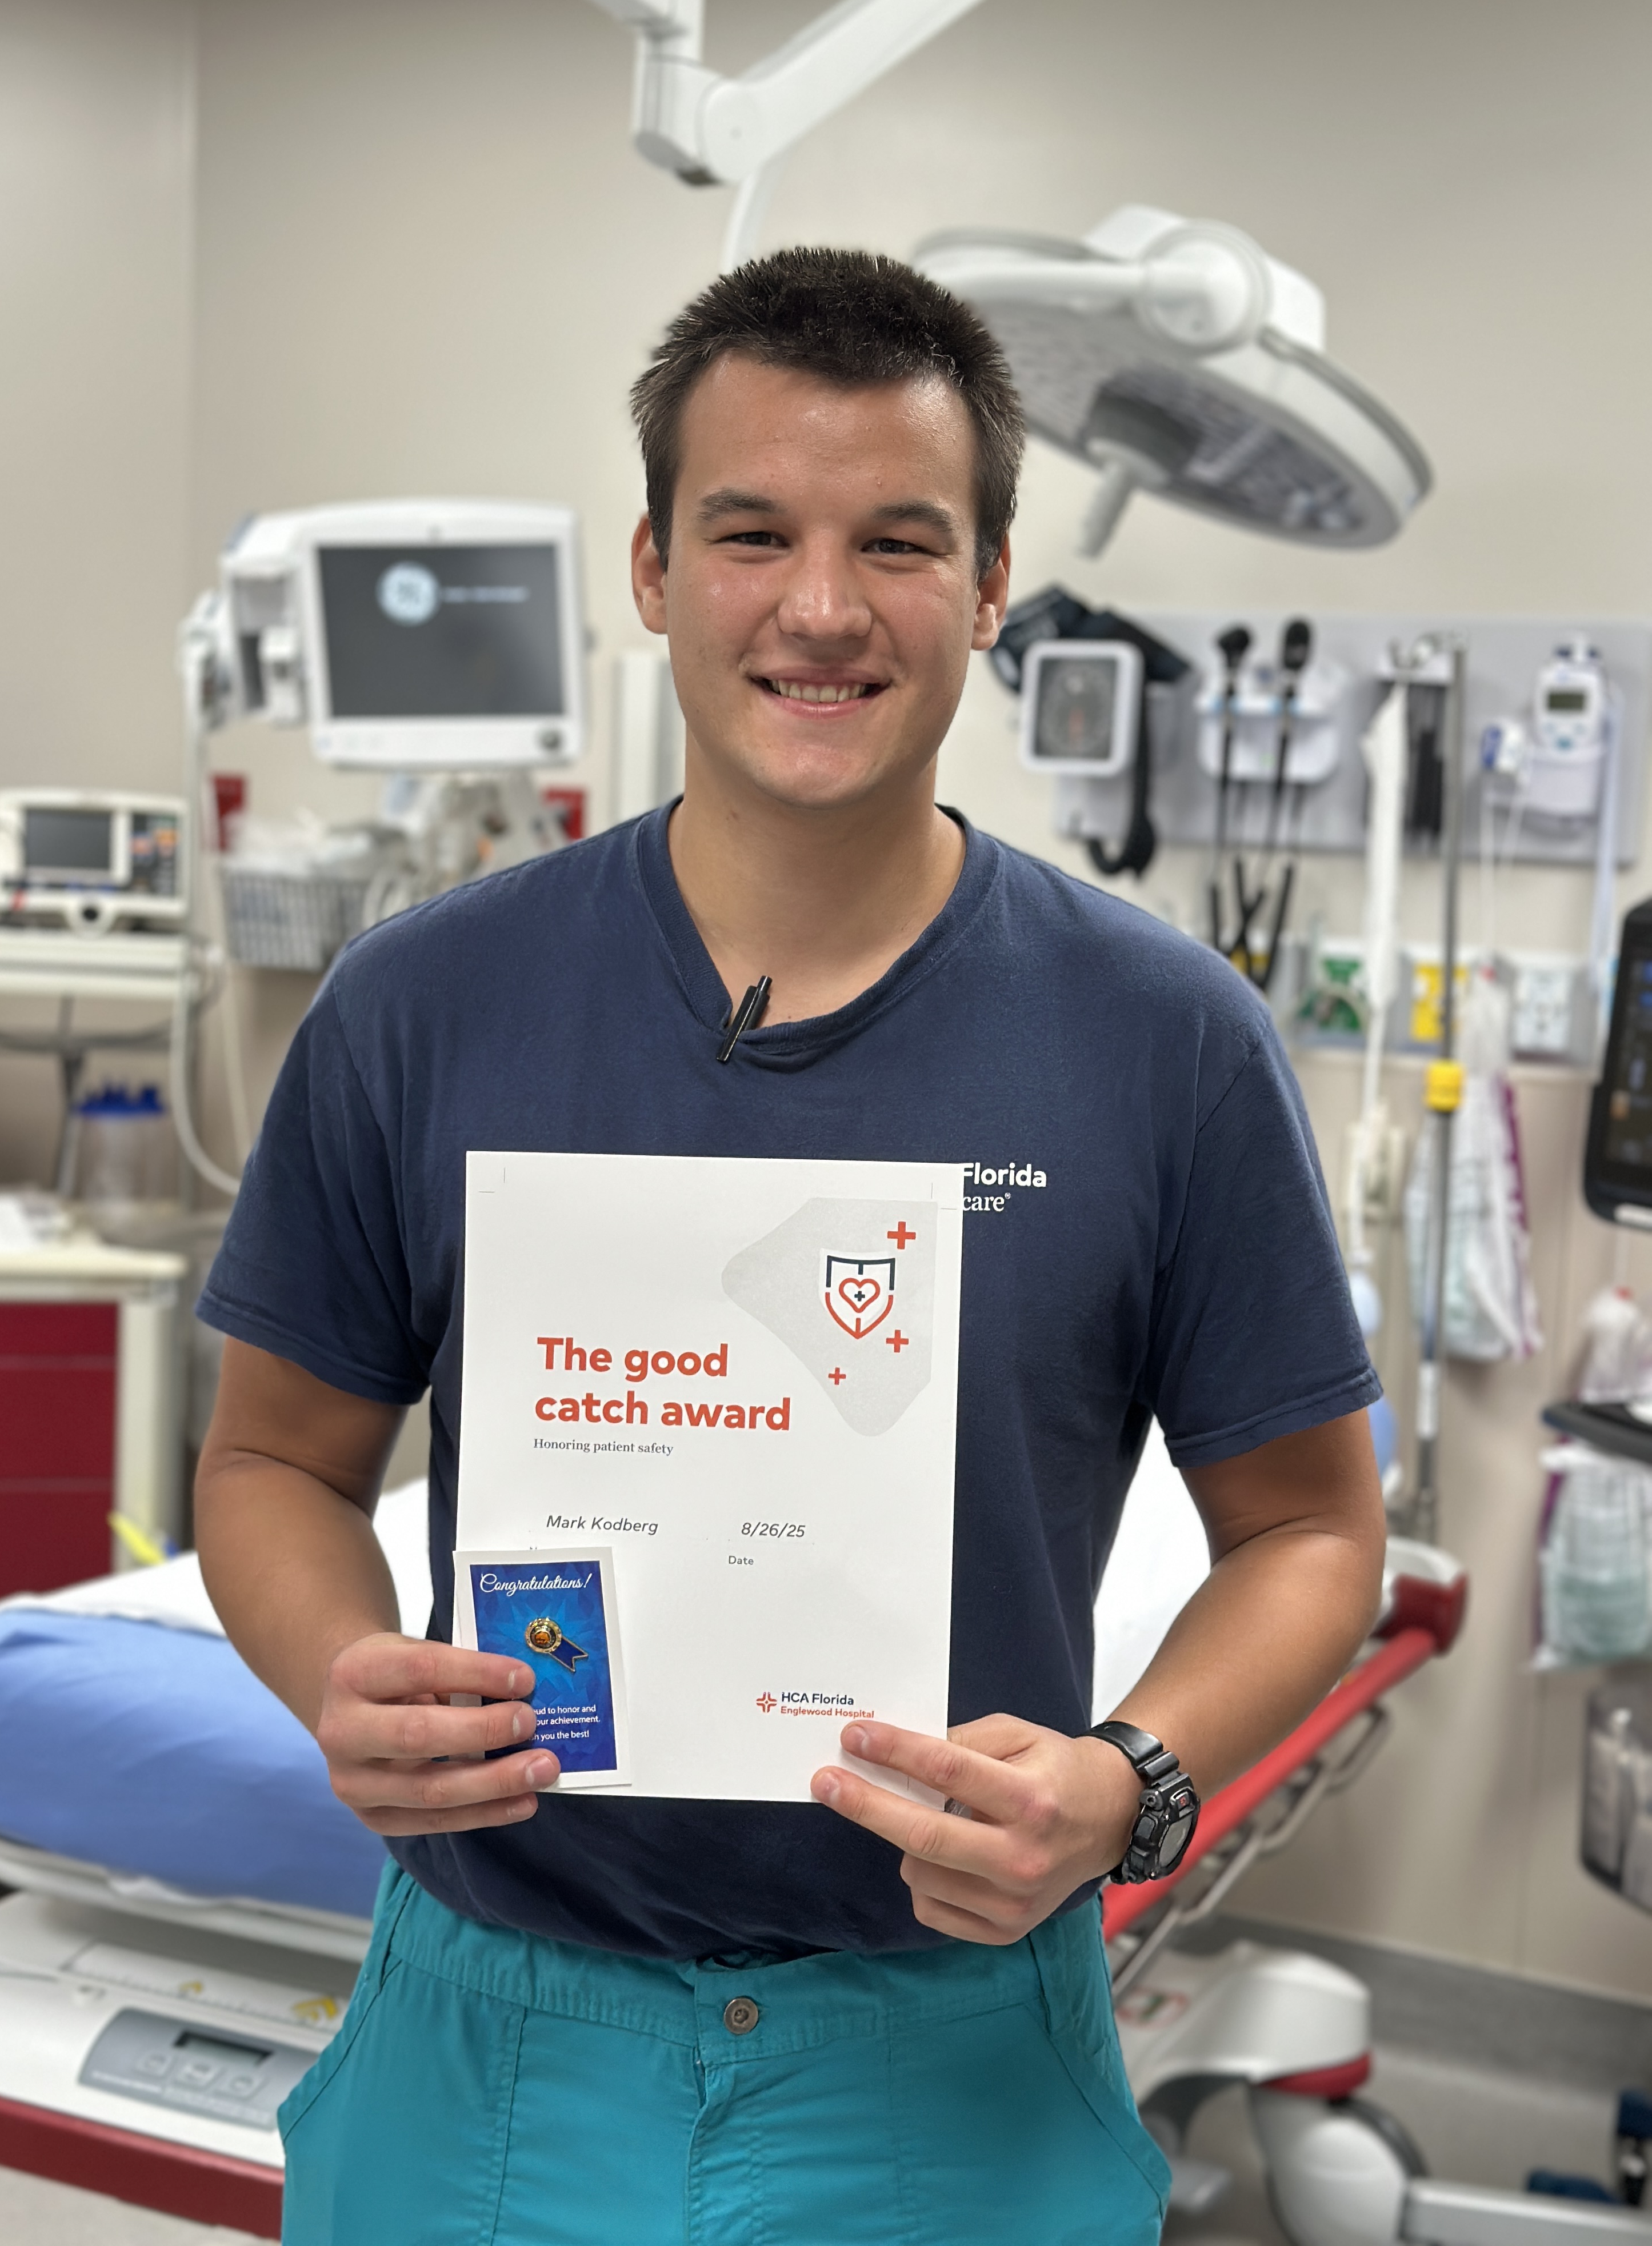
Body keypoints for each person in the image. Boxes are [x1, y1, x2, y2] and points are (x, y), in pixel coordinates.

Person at [195, 247, 1386, 2246]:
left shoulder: (1166, 1043)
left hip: (948, 2066)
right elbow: (269, 1463)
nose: (821, 609)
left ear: (989, 587)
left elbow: (1313, 1530)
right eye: (753, 534)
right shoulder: (421, 1008)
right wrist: (338, 1676)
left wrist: (1128, 1785)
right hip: (491, 2050)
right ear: (656, 569)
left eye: (897, 543)